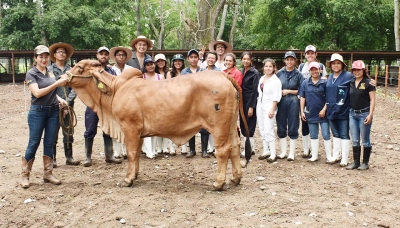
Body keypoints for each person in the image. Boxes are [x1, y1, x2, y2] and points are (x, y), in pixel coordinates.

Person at [21, 45, 69, 188]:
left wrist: (60, 100)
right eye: (41, 57)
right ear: (35, 58)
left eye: (46, 56)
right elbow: (37, 93)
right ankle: (25, 175)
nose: (44, 59)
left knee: (49, 142)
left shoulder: (50, 72)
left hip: (53, 111)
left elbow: (51, 92)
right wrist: (57, 84)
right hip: (38, 112)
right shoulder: (31, 74)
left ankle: (48, 173)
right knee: (34, 142)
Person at [83, 46, 122, 167]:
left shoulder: (111, 71)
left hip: (107, 106)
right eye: (101, 54)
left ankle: (109, 155)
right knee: (90, 130)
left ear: (108, 57)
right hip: (93, 105)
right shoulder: (89, 71)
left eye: (106, 54)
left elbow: (115, 86)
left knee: (108, 130)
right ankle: (88, 157)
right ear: (97, 55)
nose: (103, 56)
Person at [48, 42, 80, 167]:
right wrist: (58, 102)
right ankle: (53, 158)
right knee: (53, 132)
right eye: (59, 52)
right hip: (53, 105)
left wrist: (68, 102)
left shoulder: (71, 70)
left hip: (68, 107)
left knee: (68, 131)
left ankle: (69, 157)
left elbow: (75, 88)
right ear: (54, 55)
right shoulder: (49, 70)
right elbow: (49, 87)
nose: (62, 54)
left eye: (64, 52)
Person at [298, 45, 328, 158]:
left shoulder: (321, 66)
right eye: (308, 53)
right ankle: (306, 149)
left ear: (316, 54)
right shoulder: (301, 66)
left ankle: (318, 150)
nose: (310, 55)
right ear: (305, 55)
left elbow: (325, 80)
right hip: (305, 97)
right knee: (305, 123)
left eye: (312, 53)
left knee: (321, 124)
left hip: (318, 97)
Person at [346, 60, 376, 170]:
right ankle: (356, 162)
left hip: (364, 113)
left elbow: (372, 100)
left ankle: (365, 163)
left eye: (359, 70)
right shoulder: (351, 82)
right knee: (355, 139)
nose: (356, 72)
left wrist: (370, 114)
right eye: (354, 70)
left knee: (365, 139)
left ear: (363, 70)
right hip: (352, 114)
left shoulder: (369, 83)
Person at [325, 53, 353, 166]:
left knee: (344, 133)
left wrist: (370, 82)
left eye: (338, 63)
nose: (336, 65)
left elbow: (362, 78)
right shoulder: (330, 77)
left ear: (342, 65)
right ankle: (336, 155)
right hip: (331, 109)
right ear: (331, 65)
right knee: (335, 133)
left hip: (343, 109)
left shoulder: (348, 76)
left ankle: (344, 159)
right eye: (334, 63)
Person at [276, 51, 304, 161]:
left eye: (291, 59)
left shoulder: (299, 74)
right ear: (284, 60)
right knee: (281, 125)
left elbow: (302, 90)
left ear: (295, 60)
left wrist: (289, 91)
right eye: (287, 59)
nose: (289, 61)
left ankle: (292, 153)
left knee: (293, 125)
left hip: (294, 101)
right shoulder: (279, 73)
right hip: (281, 101)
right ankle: (283, 151)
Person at [181, 49, 208, 158]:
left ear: (198, 59)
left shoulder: (203, 70)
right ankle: (192, 150)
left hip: (202, 102)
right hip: (189, 102)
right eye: (191, 57)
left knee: (204, 126)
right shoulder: (184, 72)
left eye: (195, 57)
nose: (193, 59)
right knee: (190, 126)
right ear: (188, 59)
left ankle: (204, 151)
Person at [109, 46, 133, 159]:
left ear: (126, 57)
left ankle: (126, 150)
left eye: (123, 55)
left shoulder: (130, 69)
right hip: (114, 100)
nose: (121, 57)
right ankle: (117, 151)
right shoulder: (111, 70)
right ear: (115, 57)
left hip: (128, 100)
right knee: (116, 125)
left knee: (127, 126)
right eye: (119, 55)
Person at [256, 59, 282, 162]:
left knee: (269, 129)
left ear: (274, 68)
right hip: (260, 105)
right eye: (266, 66)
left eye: (270, 66)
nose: (268, 68)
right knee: (262, 129)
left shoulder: (276, 81)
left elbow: (276, 97)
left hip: (269, 106)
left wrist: (272, 109)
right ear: (264, 67)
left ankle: (273, 154)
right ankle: (265, 150)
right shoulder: (262, 78)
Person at [141, 57, 165, 159]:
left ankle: (153, 150)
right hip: (145, 105)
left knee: (156, 128)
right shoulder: (142, 77)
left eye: (151, 64)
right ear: (145, 67)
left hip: (158, 105)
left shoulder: (161, 77)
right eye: (148, 64)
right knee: (146, 129)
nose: (150, 66)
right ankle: (148, 151)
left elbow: (165, 91)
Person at [239, 52, 260, 157]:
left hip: (250, 100)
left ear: (251, 60)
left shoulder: (255, 73)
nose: (246, 61)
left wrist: (252, 106)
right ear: (241, 60)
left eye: (248, 59)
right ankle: (250, 148)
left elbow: (255, 90)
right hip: (241, 100)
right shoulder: (241, 71)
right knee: (243, 124)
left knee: (249, 125)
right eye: (244, 59)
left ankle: (248, 150)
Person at [165, 54, 185, 155]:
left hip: (185, 100)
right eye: (176, 61)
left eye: (179, 61)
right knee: (171, 124)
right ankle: (172, 147)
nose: (178, 63)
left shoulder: (186, 72)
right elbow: (168, 86)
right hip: (172, 100)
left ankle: (184, 147)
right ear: (173, 62)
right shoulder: (169, 73)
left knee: (184, 123)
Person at [154, 53, 172, 155]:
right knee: (156, 125)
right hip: (155, 102)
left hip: (166, 100)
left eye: (162, 61)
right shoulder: (152, 73)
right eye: (158, 61)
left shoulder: (168, 73)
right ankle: (159, 147)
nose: (160, 63)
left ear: (165, 62)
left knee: (166, 125)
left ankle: (166, 147)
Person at [203, 51, 219, 155]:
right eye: (209, 58)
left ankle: (216, 148)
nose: (211, 60)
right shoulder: (202, 71)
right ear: (206, 59)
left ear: (216, 60)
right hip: (204, 101)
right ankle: (210, 147)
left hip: (215, 100)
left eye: (213, 58)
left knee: (215, 125)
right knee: (206, 125)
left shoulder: (218, 72)